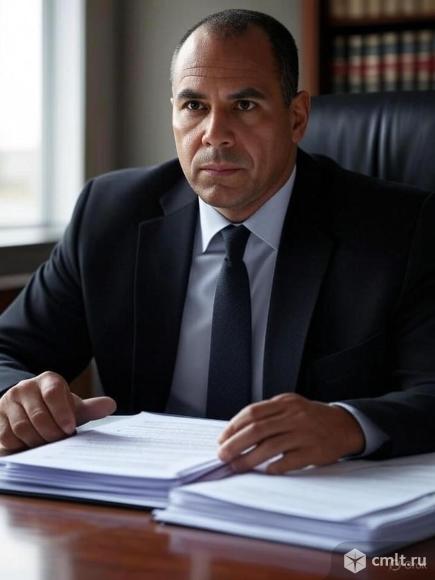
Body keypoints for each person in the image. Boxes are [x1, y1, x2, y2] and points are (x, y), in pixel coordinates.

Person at [0, 9, 435, 475]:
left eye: (244, 105)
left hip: (310, 496)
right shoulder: (111, 214)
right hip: (144, 497)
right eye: (194, 106)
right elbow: (8, 350)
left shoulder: (399, 229)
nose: (215, 135)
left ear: (296, 117)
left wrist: (347, 424)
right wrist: (17, 397)